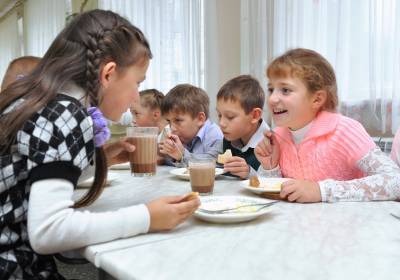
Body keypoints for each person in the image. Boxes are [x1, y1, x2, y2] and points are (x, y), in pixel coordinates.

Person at [0, 10, 199, 279]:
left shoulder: (35, 100)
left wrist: (100, 160)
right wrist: (147, 217)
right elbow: (48, 230)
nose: (134, 97)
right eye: (137, 83)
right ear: (108, 74)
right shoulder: (65, 114)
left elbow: (33, 173)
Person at [255, 48, 400, 203]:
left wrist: (321, 190)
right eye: (271, 89)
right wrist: (270, 167)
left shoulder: (344, 130)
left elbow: (395, 181)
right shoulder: (278, 136)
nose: (272, 99)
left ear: (317, 99)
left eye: (285, 90)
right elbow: (278, 196)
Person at [216, 74, 270, 179]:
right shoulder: (229, 138)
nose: (221, 123)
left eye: (230, 117)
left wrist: (249, 173)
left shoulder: (270, 144)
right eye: (219, 115)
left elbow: (276, 182)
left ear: (255, 115)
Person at [159, 84, 223, 166]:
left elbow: (212, 164)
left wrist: (182, 154)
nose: (172, 128)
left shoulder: (214, 135)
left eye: (178, 120)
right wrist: (166, 153)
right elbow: (166, 161)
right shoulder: (184, 135)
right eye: (169, 121)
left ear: (200, 119)